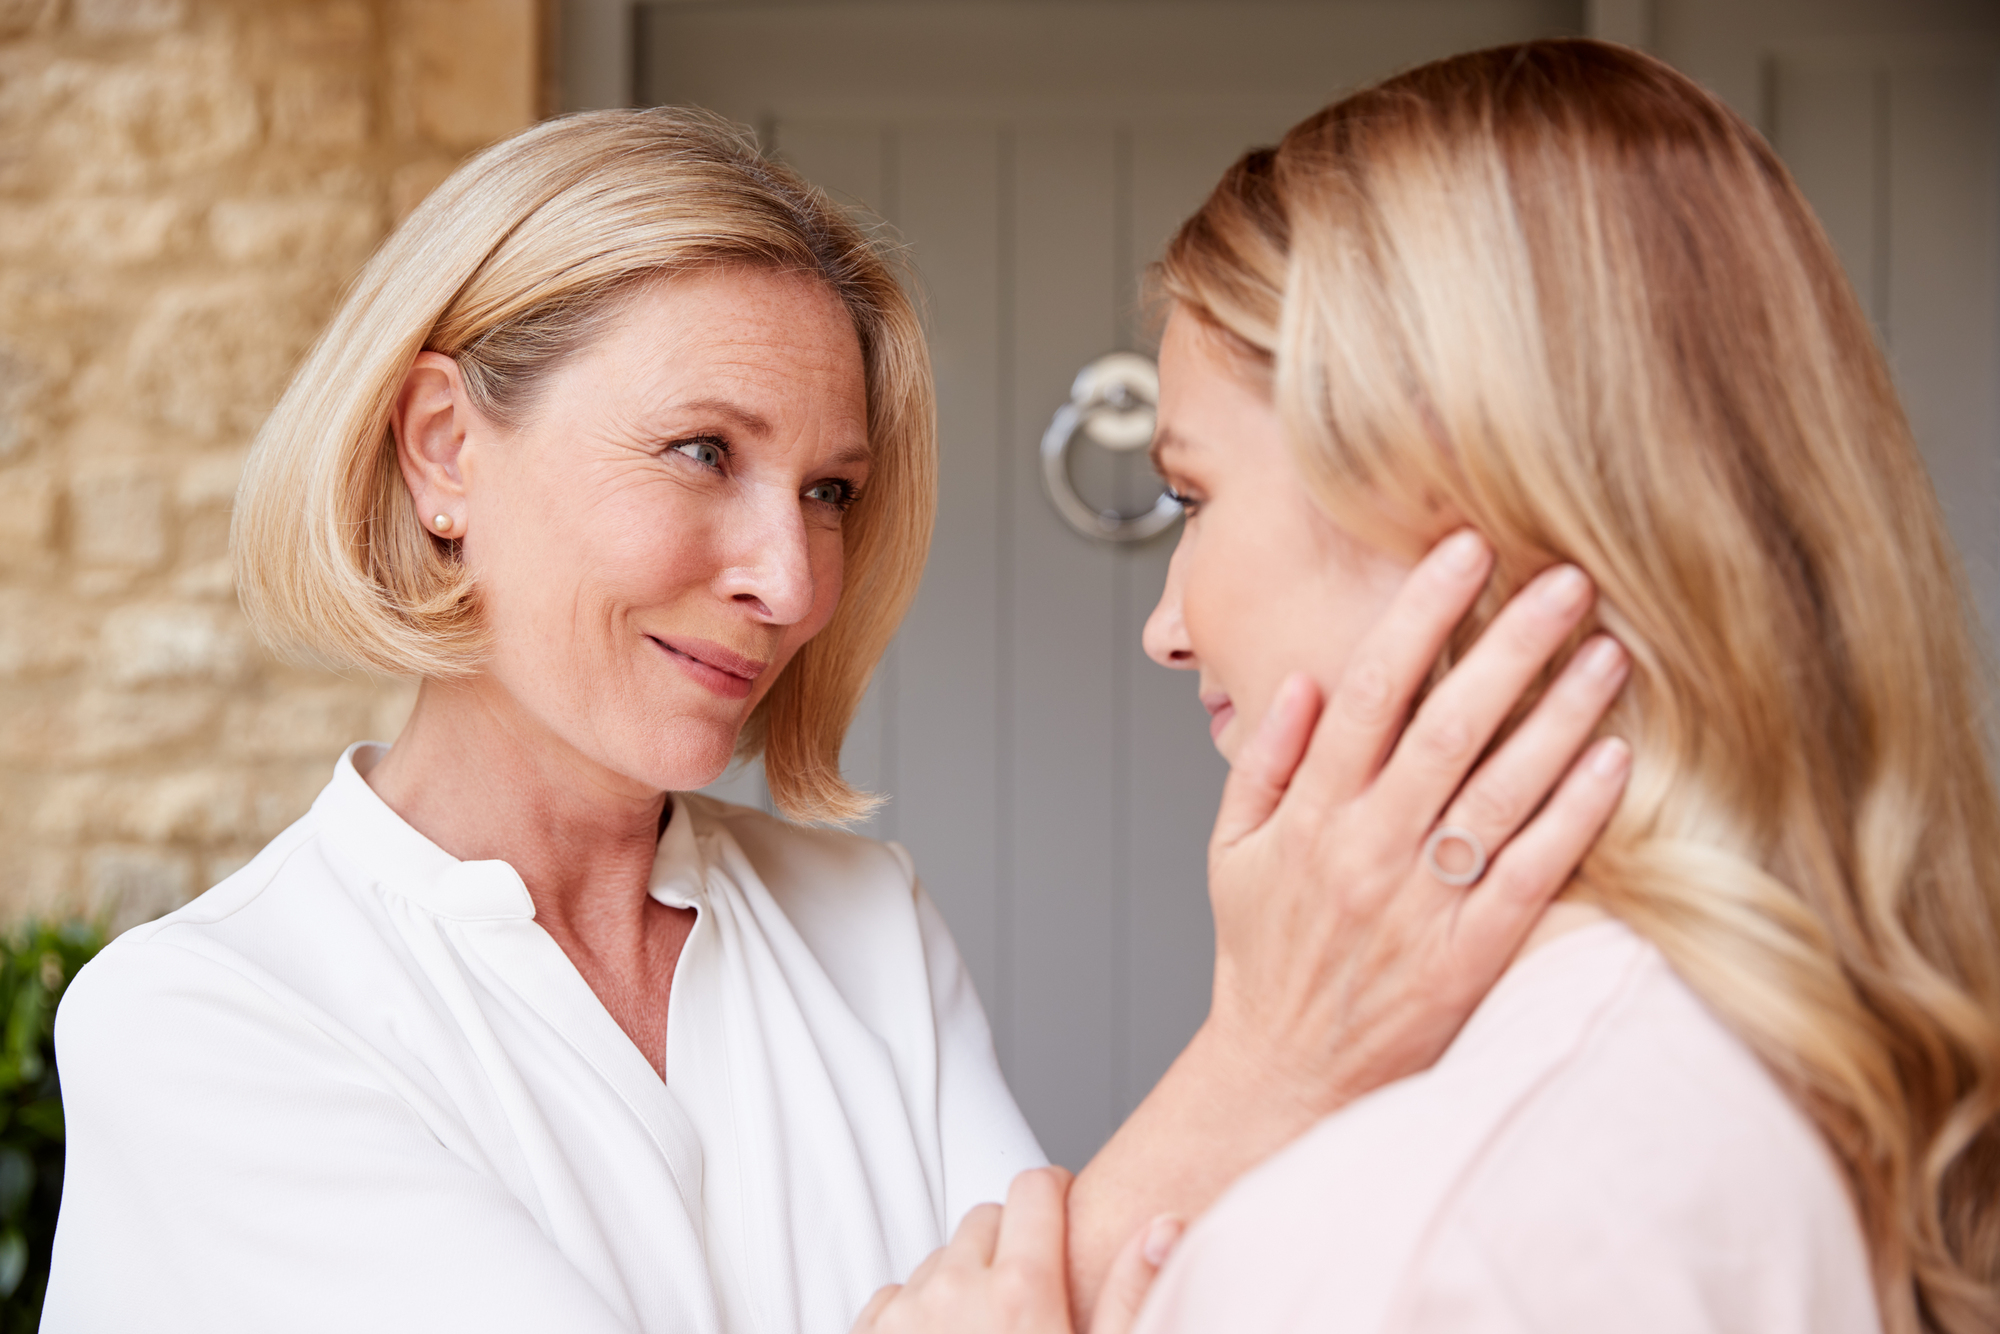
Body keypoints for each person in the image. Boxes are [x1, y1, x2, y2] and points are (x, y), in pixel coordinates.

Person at [41, 109, 1630, 1333]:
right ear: (447, 448)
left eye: (830, 491)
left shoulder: (863, 923)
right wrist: (1276, 1048)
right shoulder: (204, 1024)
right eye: (700, 452)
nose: (790, 577)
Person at [859, 38, 2000, 1334]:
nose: (1167, 631)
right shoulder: (1785, 1076)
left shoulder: (1404, 1245)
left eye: (1192, 494)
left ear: (1462, 494)